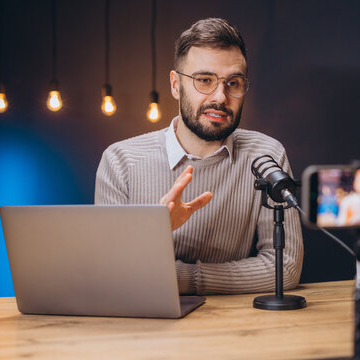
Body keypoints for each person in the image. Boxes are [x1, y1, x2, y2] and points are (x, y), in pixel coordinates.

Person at [95, 18, 303, 295]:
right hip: (145, 329)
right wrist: (154, 233)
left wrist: (178, 277)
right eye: (204, 80)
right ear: (175, 85)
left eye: (234, 83)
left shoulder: (266, 156)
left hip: (237, 328)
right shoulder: (120, 162)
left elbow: (285, 268)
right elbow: (111, 274)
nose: (220, 97)